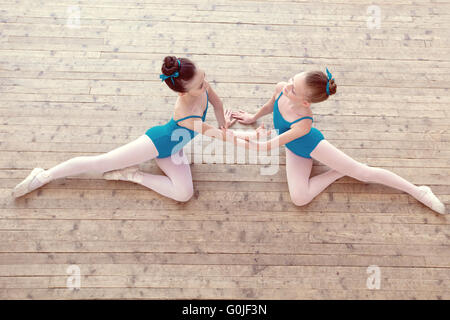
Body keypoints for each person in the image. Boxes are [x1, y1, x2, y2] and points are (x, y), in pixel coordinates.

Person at [12, 56, 234, 202]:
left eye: (204, 78)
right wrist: (251, 138)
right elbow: (219, 136)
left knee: (184, 195)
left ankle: (133, 175)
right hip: (159, 142)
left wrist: (224, 123)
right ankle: (43, 175)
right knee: (102, 162)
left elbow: (218, 104)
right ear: (183, 92)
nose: (206, 84)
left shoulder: (201, 87)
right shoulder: (184, 113)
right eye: (200, 84)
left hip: (175, 150)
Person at [227, 68, 446, 214]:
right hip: (293, 149)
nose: (287, 87)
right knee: (300, 199)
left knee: (363, 174)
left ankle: (419, 191)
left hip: (310, 146)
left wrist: (240, 138)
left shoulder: (304, 122)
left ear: (305, 103)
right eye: (293, 80)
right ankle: (339, 171)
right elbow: (270, 105)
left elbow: (268, 145)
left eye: (293, 89)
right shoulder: (281, 88)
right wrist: (253, 117)